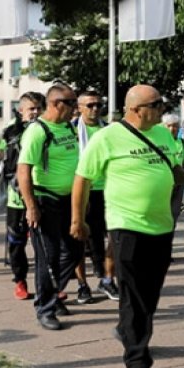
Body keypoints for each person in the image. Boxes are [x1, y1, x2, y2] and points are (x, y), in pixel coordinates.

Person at [71, 85, 184, 368]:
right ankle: (137, 360)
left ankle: (128, 329)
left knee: (150, 292)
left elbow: (170, 167)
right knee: (133, 295)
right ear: (135, 109)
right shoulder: (107, 137)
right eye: (156, 104)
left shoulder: (162, 133)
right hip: (126, 226)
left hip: (161, 226)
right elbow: (82, 178)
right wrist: (77, 219)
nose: (162, 108)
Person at [17, 84, 83, 331]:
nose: (75, 108)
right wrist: (31, 206)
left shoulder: (67, 127)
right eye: (71, 103)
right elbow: (23, 171)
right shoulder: (38, 131)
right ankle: (45, 308)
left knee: (75, 251)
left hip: (69, 200)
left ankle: (53, 293)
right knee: (48, 256)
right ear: (56, 104)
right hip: (45, 202)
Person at [72, 90, 119, 304]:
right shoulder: (71, 130)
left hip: (107, 189)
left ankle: (108, 279)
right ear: (79, 107)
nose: (95, 109)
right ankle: (82, 284)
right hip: (82, 190)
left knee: (115, 236)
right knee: (79, 239)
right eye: (90, 105)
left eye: (99, 105)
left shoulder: (109, 130)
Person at [0, 92, 43, 300]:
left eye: (38, 108)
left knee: (43, 243)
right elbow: (6, 162)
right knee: (17, 243)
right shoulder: (12, 132)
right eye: (31, 109)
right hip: (17, 199)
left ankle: (48, 284)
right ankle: (20, 280)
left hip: (43, 195)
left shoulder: (47, 129)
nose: (35, 113)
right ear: (21, 111)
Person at [161, 113, 184, 225]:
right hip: (164, 181)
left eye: (176, 126)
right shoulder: (160, 142)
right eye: (169, 126)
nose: (173, 129)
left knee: (175, 211)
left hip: (179, 182)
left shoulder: (183, 142)